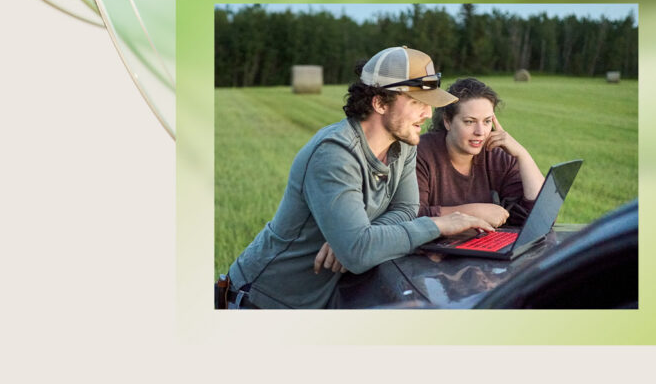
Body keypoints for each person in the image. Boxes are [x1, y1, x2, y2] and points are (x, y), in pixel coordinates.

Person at [219, 47, 495, 309]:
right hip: (263, 302)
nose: (428, 114)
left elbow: (406, 209)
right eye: (417, 102)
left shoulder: (405, 145)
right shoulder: (335, 154)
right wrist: (437, 225)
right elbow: (359, 252)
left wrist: (363, 238)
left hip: (316, 303)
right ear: (379, 103)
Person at [416, 78, 545, 228]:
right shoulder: (421, 153)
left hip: (484, 247)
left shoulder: (496, 155)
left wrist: (523, 156)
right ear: (448, 121)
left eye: (487, 121)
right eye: (470, 122)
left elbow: (540, 218)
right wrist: (473, 212)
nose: (480, 132)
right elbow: (411, 217)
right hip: (434, 249)